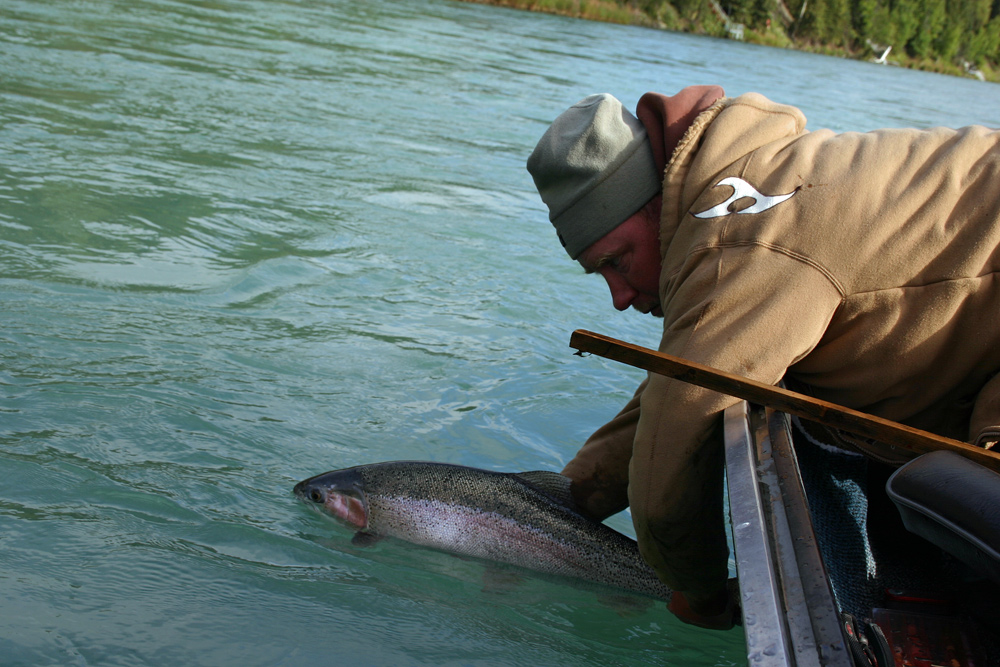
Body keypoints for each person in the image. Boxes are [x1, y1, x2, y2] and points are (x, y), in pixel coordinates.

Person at [526, 86, 1000, 629]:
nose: (618, 295)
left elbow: (670, 449)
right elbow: (683, 380)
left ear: (652, 203)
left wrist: (695, 591)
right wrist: (564, 500)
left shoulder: (742, 240)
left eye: (617, 261)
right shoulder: (743, 191)